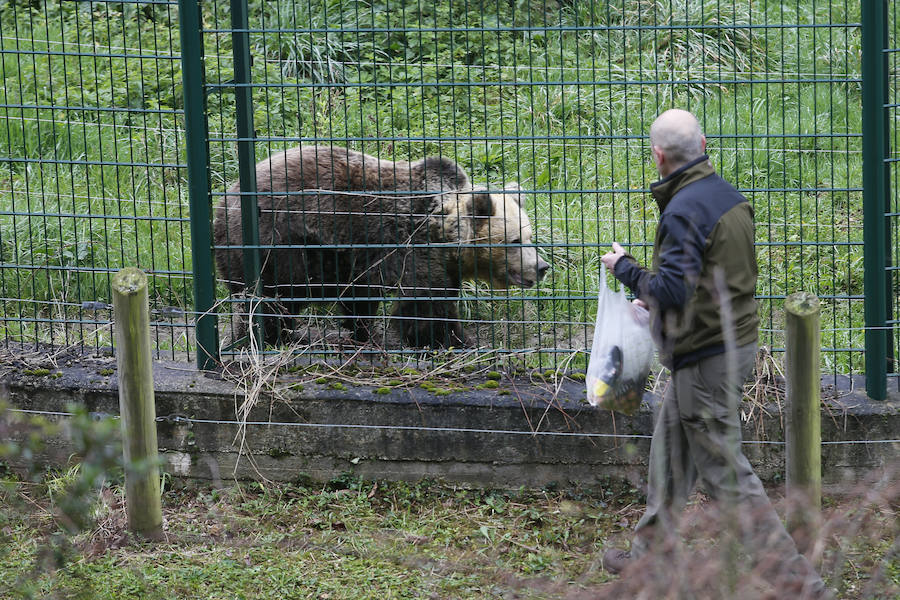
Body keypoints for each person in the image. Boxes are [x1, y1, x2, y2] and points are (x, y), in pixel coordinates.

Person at [599, 109, 828, 598]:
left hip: (706, 359)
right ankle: (648, 561)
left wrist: (628, 270)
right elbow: (707, 283)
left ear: (658, 156)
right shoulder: (727, 197)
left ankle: (801, 585)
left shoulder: (683, 209)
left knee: (731, 479)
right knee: (670, 454)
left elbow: (674, 293)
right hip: (727, 345)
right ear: (703, 142)